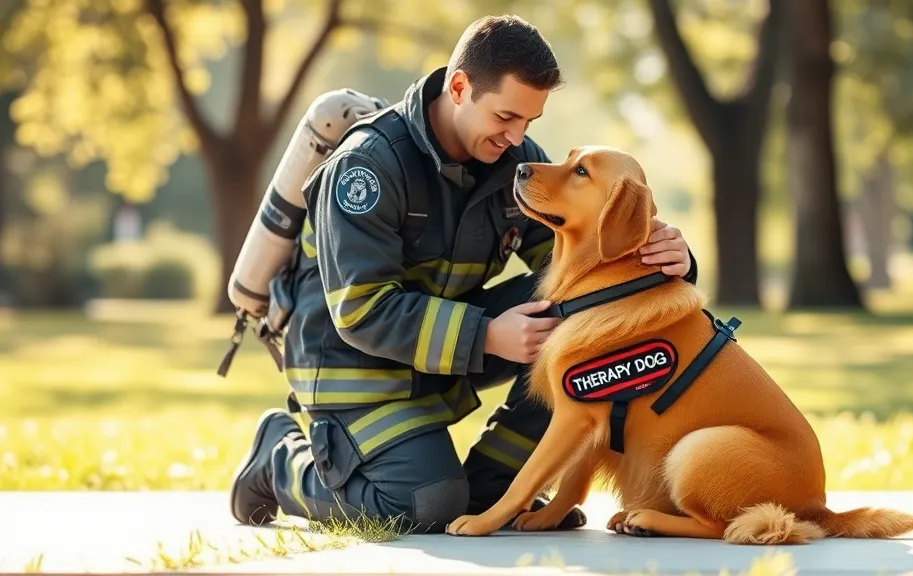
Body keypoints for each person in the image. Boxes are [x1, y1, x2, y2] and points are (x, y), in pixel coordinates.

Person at [228, 14, 699, 535]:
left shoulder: (511, 159)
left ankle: (494, 484)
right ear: (459, 87)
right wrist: (488, 335)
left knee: (593, 318)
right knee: (426, 503)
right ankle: (279, 461)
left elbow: (587, 264)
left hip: (444, 349)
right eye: (505, 117)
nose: (516, 137)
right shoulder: (367, 167)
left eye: (528, 122)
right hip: (348, 361)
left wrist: (669, 255)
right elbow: (361, 310)